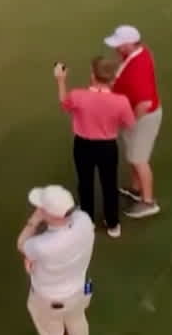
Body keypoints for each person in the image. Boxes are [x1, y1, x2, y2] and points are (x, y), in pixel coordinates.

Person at [18, 185, 95, 335]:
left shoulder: (43, 244)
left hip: (49, 300)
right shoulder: (84, 221)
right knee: (77, 318)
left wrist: (35, 220)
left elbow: (22, 244)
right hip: (80, 290)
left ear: (48, 214)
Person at [54, 58, 135, 238]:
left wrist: (61, 80)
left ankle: (87, 221)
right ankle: (113, 224)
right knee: (109, 184)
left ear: (92, 75)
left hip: (83, 145)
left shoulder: (78, 95)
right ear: (112, 79)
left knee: (85, 183)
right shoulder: (120, 101)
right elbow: (129, 123)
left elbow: (64, 103)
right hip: (107, 147)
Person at [106, 26, 163, 220]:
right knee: (133, 155)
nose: (116, 48)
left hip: (142, 118)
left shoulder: (138, 66)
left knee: (139, 159)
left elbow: (144, 104)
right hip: (137, 115)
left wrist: (129, 121)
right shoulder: (139, 52)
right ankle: (136, 190)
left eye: (119, 45)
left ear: (130, 44)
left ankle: (148, 202)